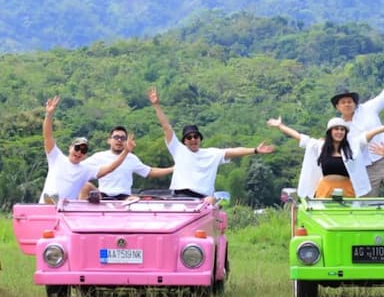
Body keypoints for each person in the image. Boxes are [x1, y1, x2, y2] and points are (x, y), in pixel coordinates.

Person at [147, 87, 275, 201]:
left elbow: (233, 151)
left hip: (203, 199)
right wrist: (156, 105)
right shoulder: (178, 150)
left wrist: (255, 150)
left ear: (200, 139)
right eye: (189, 137)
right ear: (184, 141)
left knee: (211, 200)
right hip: (179, 196)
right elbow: (166, 127)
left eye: (195, 136)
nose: (193, 139)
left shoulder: (211, 153)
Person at [39, 96, 135, 203]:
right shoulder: (56, 157)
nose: (79, 152)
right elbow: (47, 136)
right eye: (77, 148)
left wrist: (126, 151)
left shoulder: (85, 169)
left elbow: (109, 168)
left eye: (83, 150)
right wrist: (49, 114)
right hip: (45, 207)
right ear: (70, 148)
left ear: (85, 155)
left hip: (65, 212)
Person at [267, 116, 384, 198]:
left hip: (347, 189)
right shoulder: (319, 146)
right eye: (336, 129)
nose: (339, 132)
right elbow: (299, 137)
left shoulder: (353, 146)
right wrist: (280, 126)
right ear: (330, 132)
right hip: (325, 189)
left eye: (342, 129)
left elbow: (370, 133)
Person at [79, 125, 174, 200]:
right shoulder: (99, 156)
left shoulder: (131, 158)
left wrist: (172, 169)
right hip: (102, 195)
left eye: (123, 138)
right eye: (116, 137)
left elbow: (149, 172)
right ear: (109, 140)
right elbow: (80, 168)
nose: (119, 140)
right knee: (85, 185)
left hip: (125, 197)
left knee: (136, 200)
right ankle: (79, 216)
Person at [331, 89, 384, 196]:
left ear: (355, 103)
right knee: (368, 202)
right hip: (365, 167)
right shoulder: (340, 129)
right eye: (343, 102)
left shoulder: (368, 108)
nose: (347, 104)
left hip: (382, 157)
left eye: (349, 101)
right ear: (337, 107)